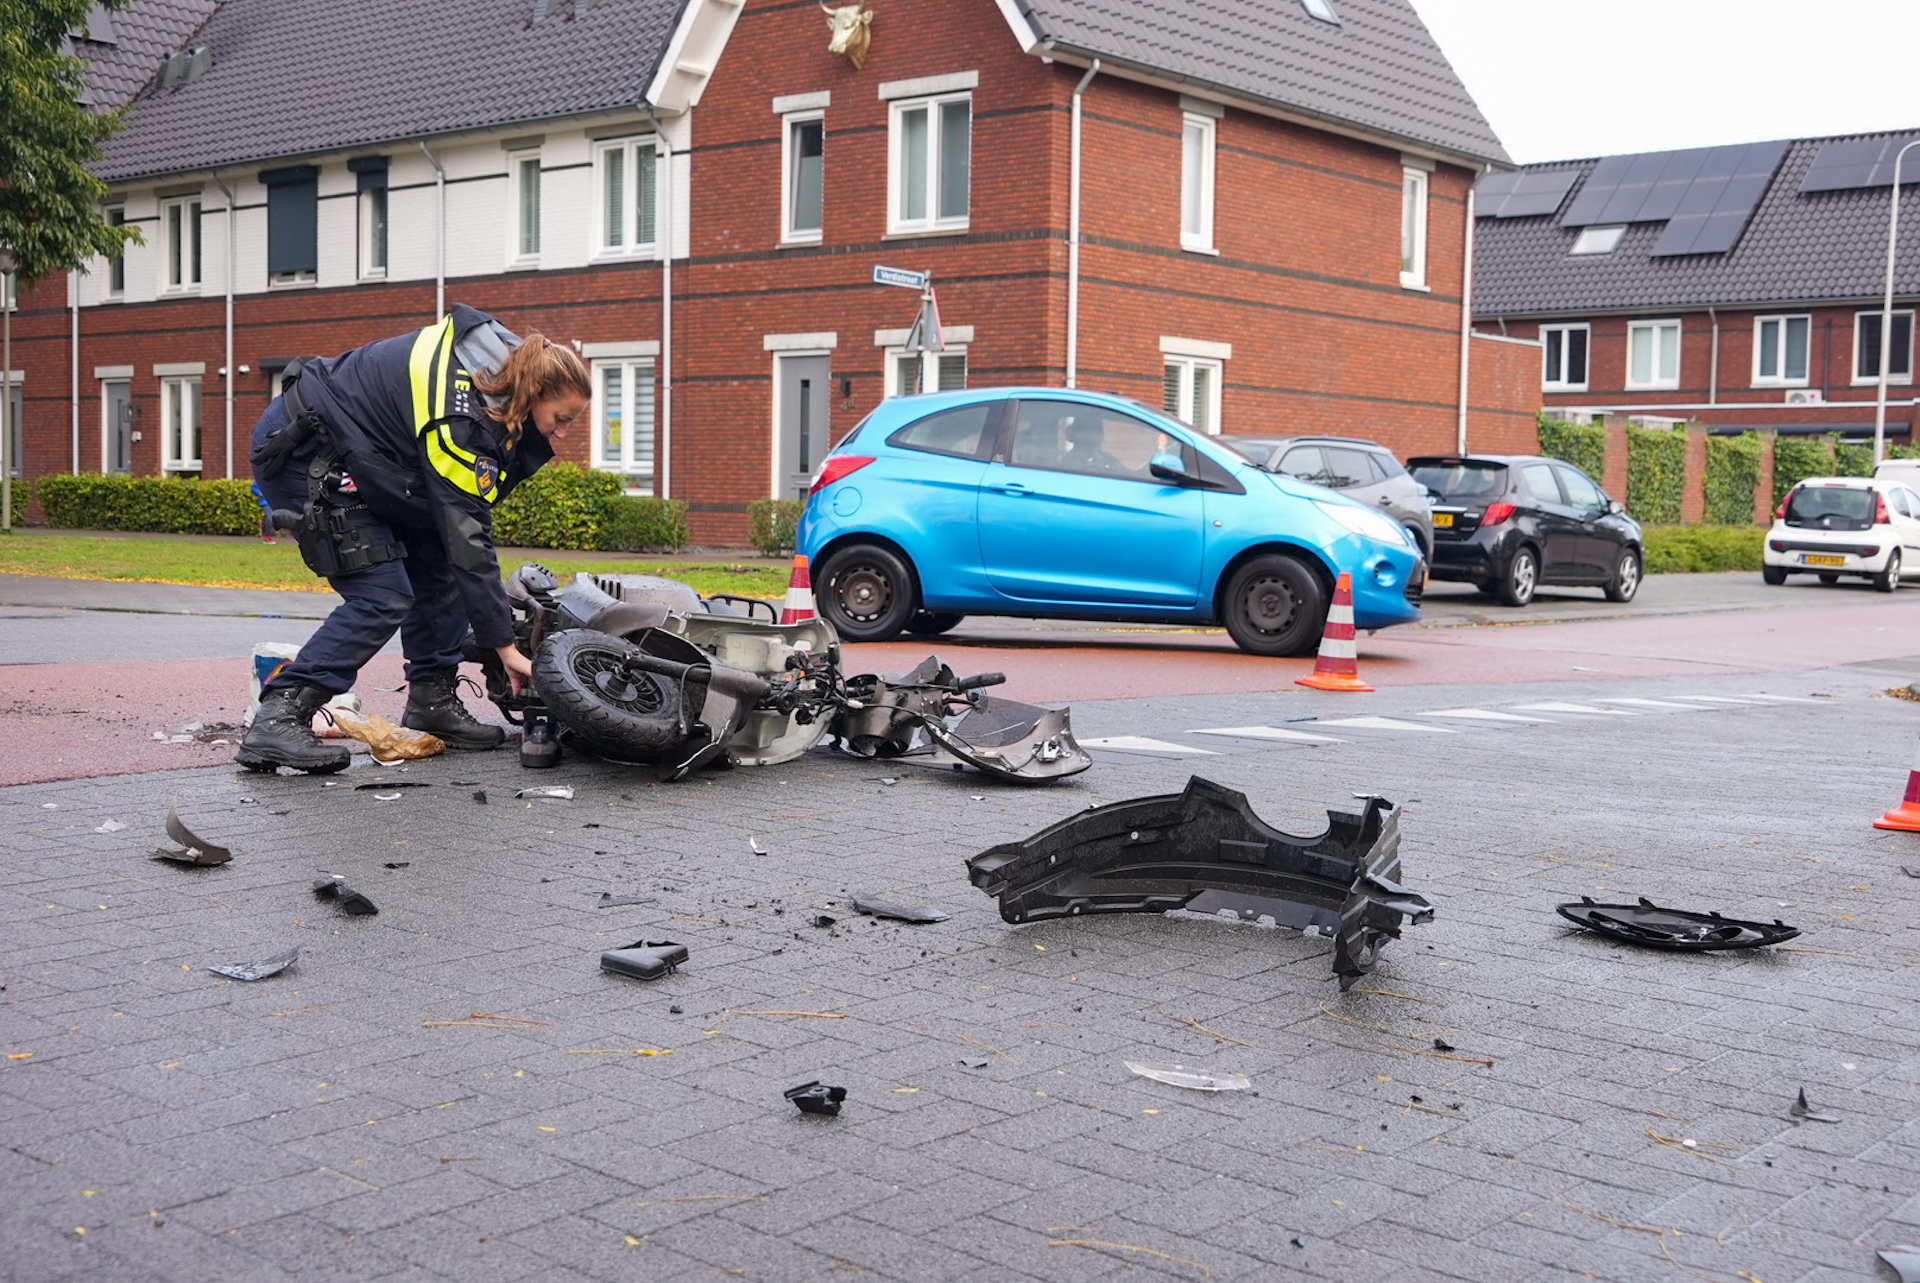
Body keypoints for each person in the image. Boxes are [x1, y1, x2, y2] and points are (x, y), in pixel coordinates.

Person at [236, 303, 591, 774]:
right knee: (382, 594)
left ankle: (432, 702)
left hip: (371, 453)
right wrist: (504, 645)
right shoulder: (459, 418)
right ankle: (279, 716)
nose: (562, 434)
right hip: (310, 449)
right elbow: (469, 533)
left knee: (438, 558)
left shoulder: (504, 370)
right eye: (560, 418)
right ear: (533, 392)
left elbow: (456, 536)